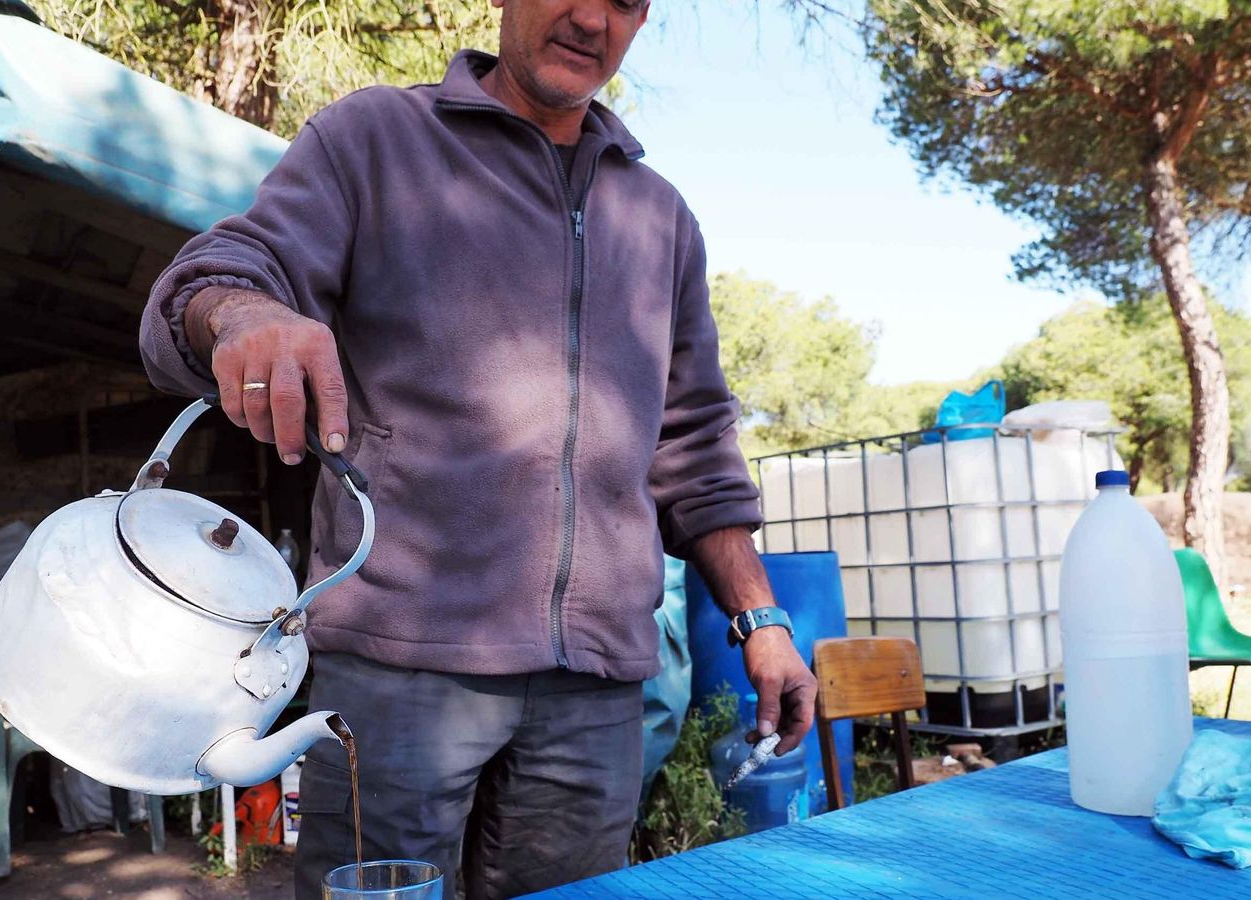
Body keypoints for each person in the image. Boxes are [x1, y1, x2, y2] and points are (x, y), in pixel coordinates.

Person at [138, 1, 817, 896]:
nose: (588, 18)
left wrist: (762, 622)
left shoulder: (661, 221)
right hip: (398, 672)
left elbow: (693, 447)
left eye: (621, 0)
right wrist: (244, 315)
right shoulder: (374, 139)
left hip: (597, 690)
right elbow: (224, 271)